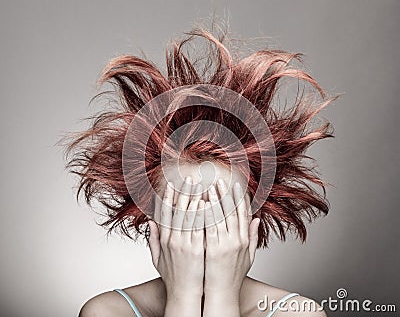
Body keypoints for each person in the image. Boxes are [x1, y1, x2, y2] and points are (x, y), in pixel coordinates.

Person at [63, 24, 336, 316]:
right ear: (151, 220)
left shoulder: (298, 313)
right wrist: (183, 296)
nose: (203, 235)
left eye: (222, 211)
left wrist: (222, 295)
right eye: (183, 209)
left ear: (251, 224)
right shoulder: (108, 311)